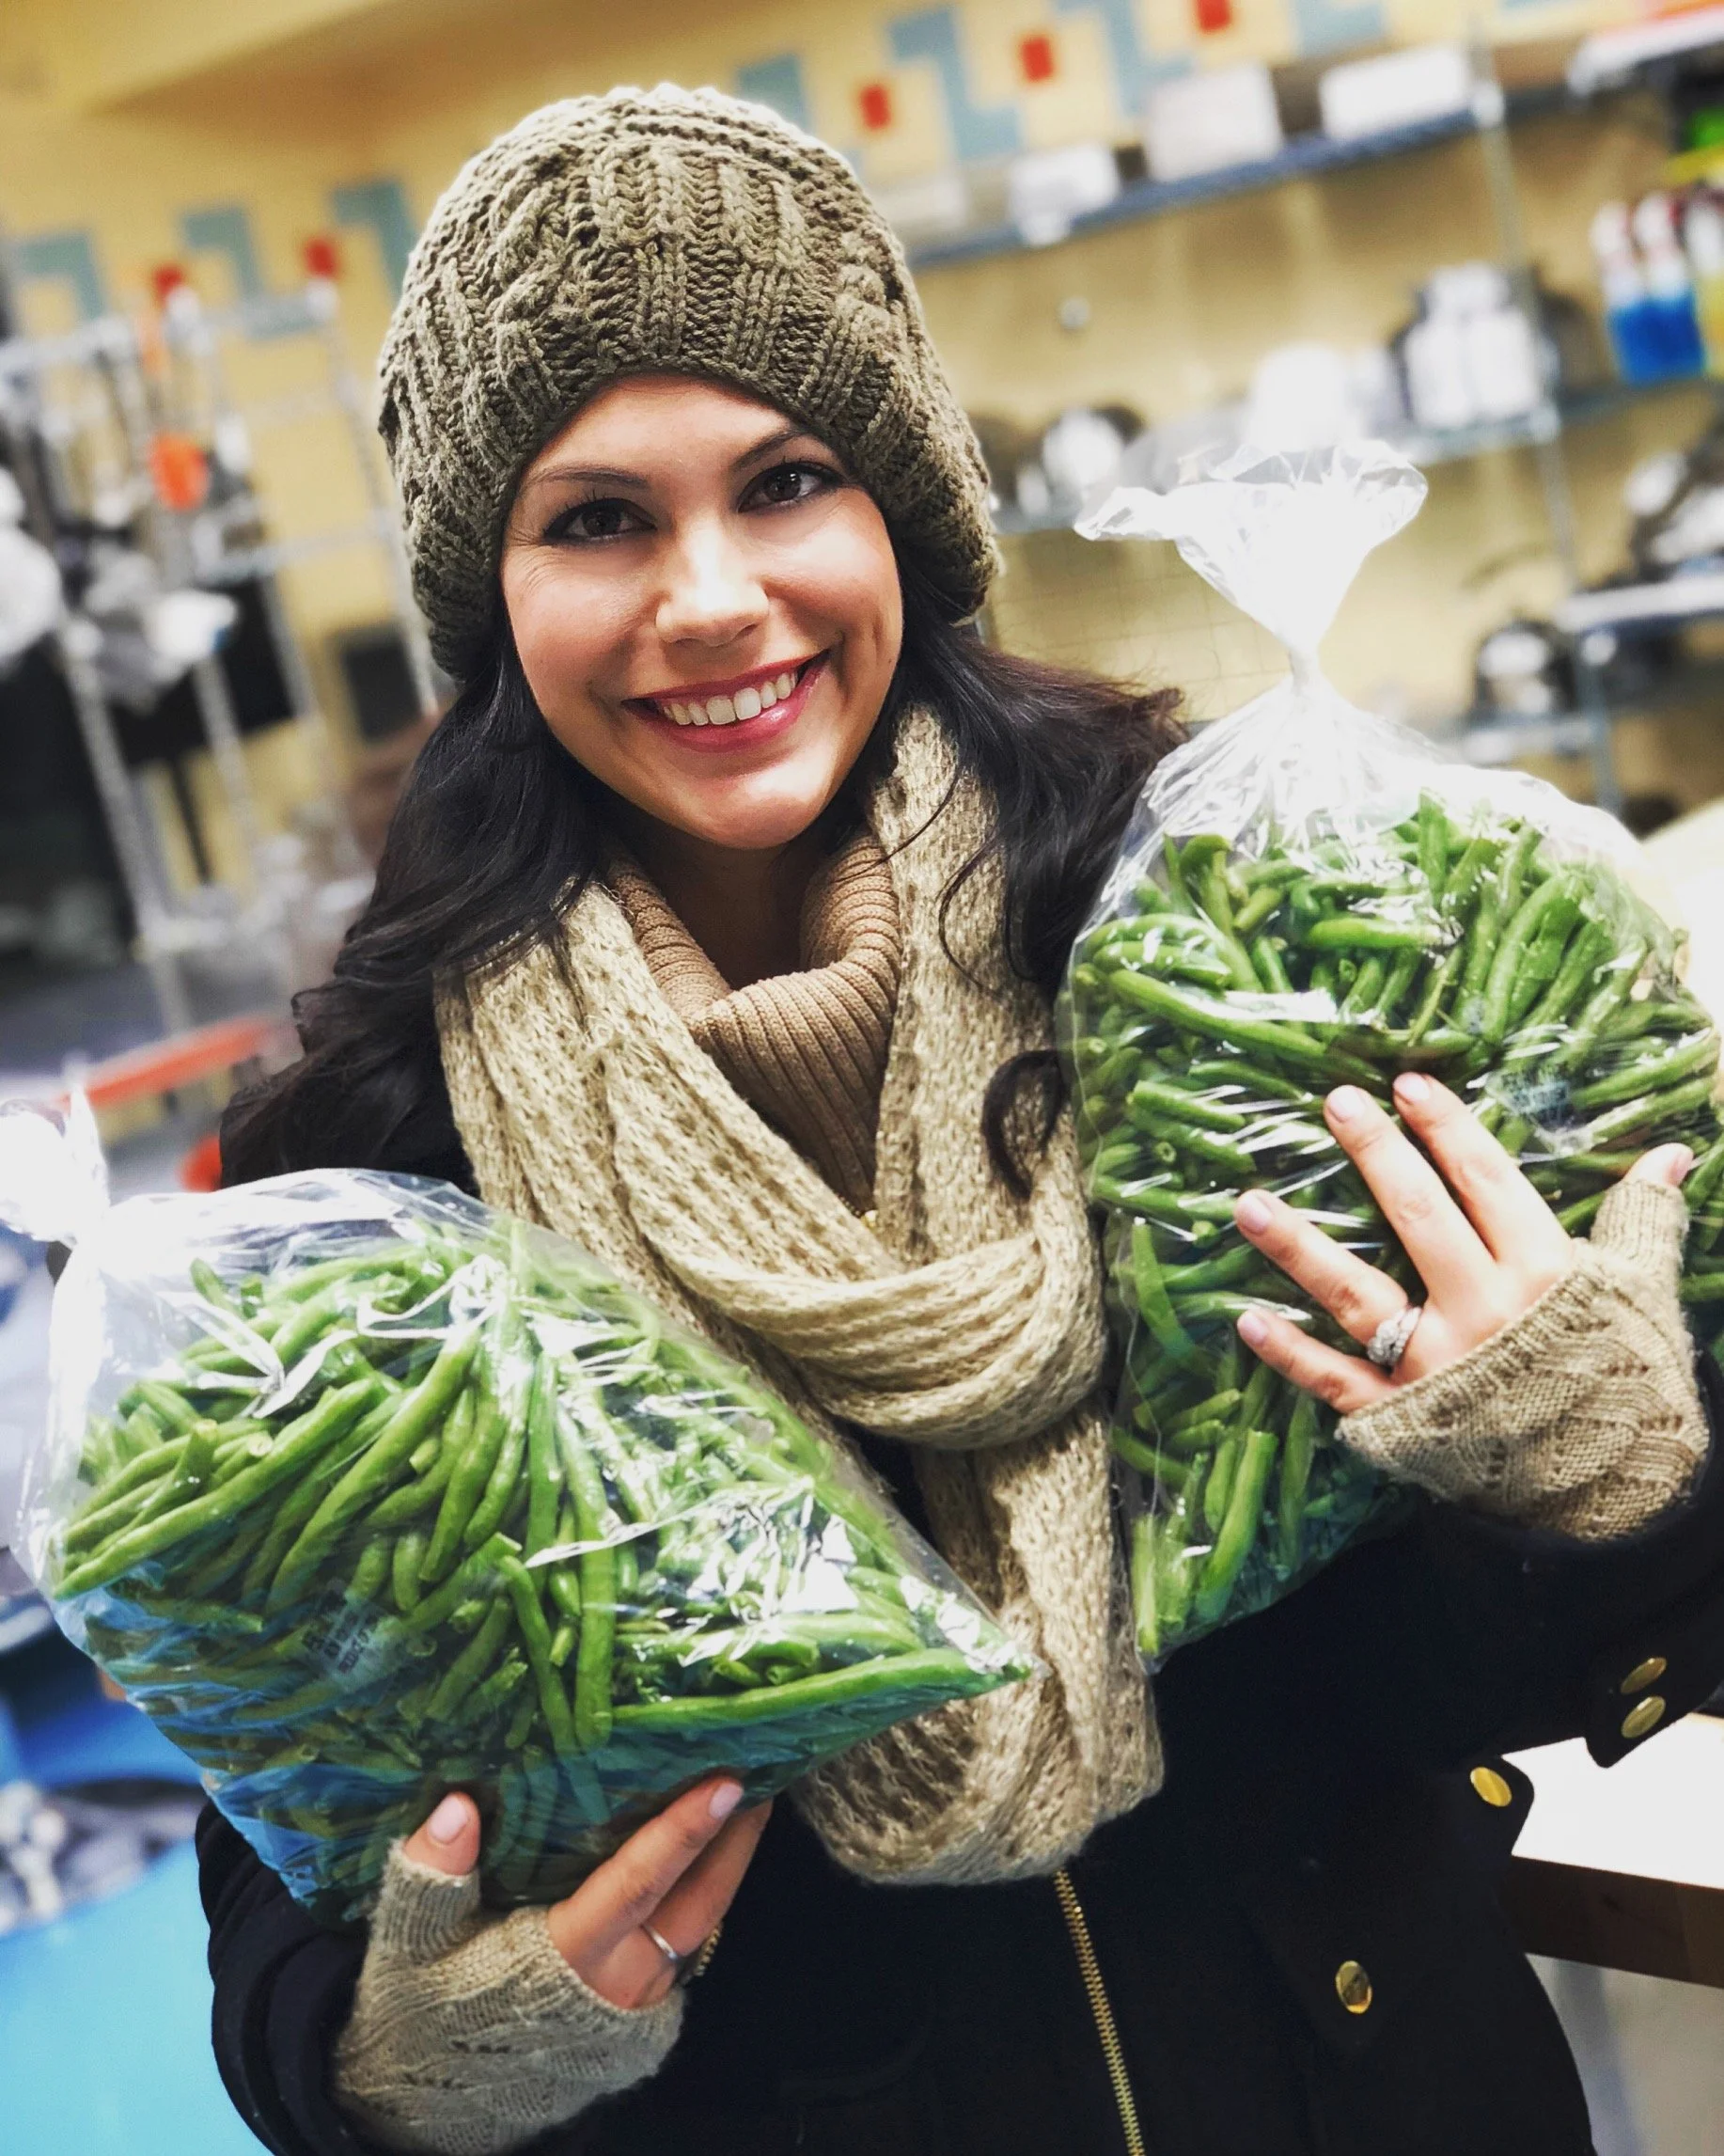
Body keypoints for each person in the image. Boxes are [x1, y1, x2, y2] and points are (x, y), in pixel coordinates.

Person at [200, 86, 1724, 2156]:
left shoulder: (1229, 937)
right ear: (492, 591)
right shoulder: (362, 1167)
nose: (715, 595)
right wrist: (397, 2071)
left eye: (787, 480)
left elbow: (1491, 1671)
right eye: (599, 517)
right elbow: (295, 1862)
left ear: (901, 515)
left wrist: (1613, 1490)